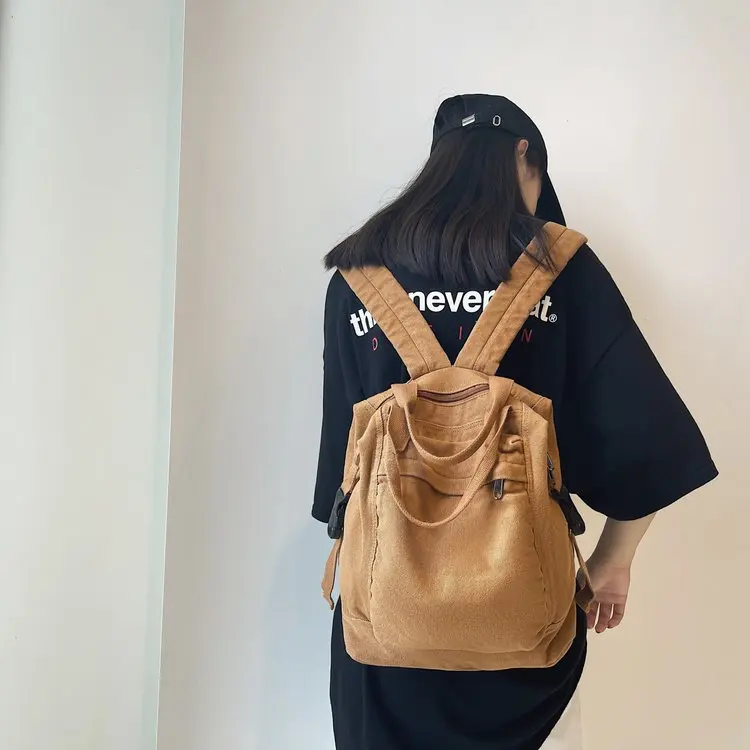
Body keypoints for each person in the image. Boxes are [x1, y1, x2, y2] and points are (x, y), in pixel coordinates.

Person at [312, 94, 717, 750]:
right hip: (522, 629)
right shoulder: (563, 268)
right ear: (524, 154)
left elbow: (343, 465)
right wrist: (612, 563)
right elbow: (650, 438)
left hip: (384, 635)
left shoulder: (356, 277)